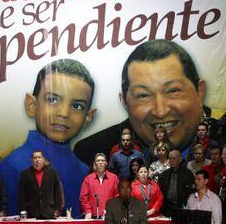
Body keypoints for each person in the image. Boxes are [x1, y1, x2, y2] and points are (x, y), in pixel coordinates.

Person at [75, 39, 207, 164]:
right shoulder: (91, 153)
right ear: (125, 102)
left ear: (199, 92)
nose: (160, 111)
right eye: (143, 95)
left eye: (173, 91)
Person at [0, 59, 96, 216]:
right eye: (52, 100)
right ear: (32, 105)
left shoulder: (86, 172)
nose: (63, 113)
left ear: (88, 117)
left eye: (76, 106)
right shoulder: (10, 166)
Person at [19, 151, 63, 219]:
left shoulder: (53, 173)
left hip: (50, 213)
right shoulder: (25, 174)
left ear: (43, 159)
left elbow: (58, 193)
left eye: (39, 157)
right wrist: (23, 211)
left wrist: (58, 210)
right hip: (31, 214)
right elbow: (22, 195)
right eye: (35, 158)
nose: (37, 159)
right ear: (32, 160)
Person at [79, 153, 119, 219]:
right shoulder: (88, 179)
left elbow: (117, 196)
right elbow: (83, 197)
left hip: (110, 216)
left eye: (102, 161)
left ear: (106, 163)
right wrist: (88, 211)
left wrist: (113, 210)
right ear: (95, 164)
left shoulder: (114, 178)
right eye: (98, 161)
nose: (100, 163)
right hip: (92, 216)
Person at [158, 150, 194, 216]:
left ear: (180, 160)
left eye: (174, 158)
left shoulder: (187, 174)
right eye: (170, 158)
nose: (171, 160)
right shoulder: (164, 175)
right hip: (167, 208)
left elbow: (191, 192)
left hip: (181, 208)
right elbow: (159, 193)